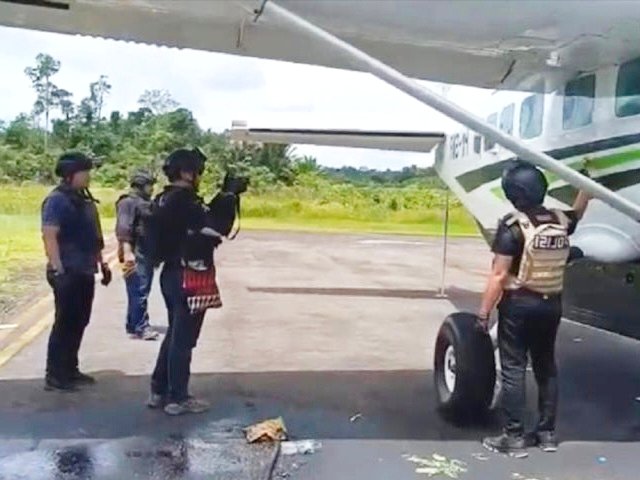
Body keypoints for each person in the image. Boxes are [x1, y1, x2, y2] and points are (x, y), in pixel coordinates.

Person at [478, 159, 592, 457]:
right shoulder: (560, 220)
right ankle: (547, 434)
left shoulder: (513, 227)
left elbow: (499, 275)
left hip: (519, 305)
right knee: (546, 367)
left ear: (513, 193)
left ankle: (514, 436)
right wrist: (585, 188)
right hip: (551, 304)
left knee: (514, 369)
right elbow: (578, 213)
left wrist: (483, 312)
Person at [147, 148, 223, 416]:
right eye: (198, 172)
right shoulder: (186, 202)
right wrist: (227, 198)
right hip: (188, 275)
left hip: (170, 273)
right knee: (184, 338)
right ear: (188, 173)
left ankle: (159, 389)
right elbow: (215, 227)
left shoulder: (162, 199)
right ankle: (177, 397)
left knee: (174, 334)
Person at [41, 152, 112, 391]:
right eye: (84, 172)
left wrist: (102, 263)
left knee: (80, 320)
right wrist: (57, 267)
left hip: (84, 268)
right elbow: (50, 234)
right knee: (65, 322)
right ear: (70, 174)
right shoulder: (57, 200)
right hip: (67, 269)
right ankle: (55, 375)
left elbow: (94, 236)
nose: (88, 176)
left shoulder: (84, 200)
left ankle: (70, 368)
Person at [115, 169, 159, 340]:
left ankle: (133, 324)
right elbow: (124, 229)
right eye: (149, 186)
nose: (151, 189)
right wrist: (127, 253)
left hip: (145, 251)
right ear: (140, 186)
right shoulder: (128, 203)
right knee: (139, 289)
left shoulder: (144, 203)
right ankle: (141, 326)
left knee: (139, 289)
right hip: (136, 251)